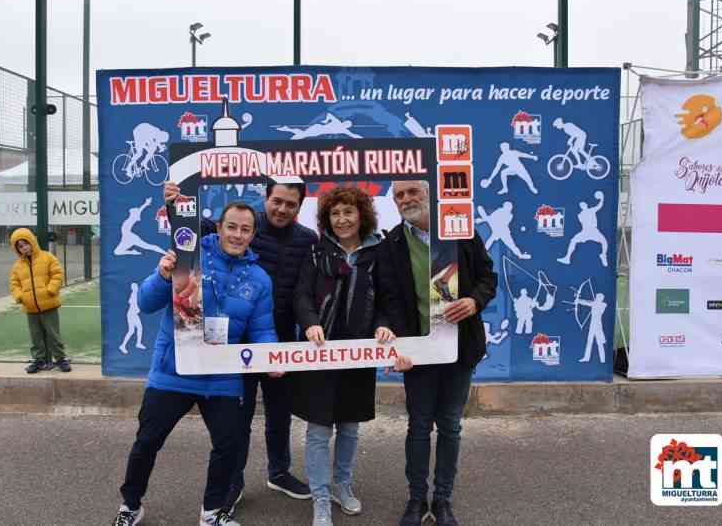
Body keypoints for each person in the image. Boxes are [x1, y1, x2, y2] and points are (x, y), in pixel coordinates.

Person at [113, 202, 280, 526]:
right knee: (147, 442)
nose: (237, 234)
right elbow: (147, 303)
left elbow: (262, 330)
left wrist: (269, 356)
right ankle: (131, 506)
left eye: (245, 229)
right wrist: (162, 276)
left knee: (228, 447)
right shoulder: (187, 256)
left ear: (253, 235)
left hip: (222, 376)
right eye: (231, 226)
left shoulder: (260, 279)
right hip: (174, 370)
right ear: (219, 227)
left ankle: (211, 512)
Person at [165, 180, 316, 509]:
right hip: (237, 344)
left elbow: (306, 290)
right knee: (238, 419)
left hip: (280, 342)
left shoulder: (308, 240)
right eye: (277, 201)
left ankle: (279, 472)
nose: (282, 209)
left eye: (291, 204)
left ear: (300, 206)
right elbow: (196, 229)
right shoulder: (244, 225)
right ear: (267, 198)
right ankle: (233, 481)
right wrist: (177, 205)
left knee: (279, 414)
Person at [376, 180, 497, 526]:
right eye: (399, 195)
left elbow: (488, 278)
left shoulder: (459, 230)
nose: (406, 199)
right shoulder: (392, 245)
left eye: (413, 192)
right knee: (417, 427)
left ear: (429, 195)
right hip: (418, 354)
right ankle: (416, 500)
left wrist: (474, 301)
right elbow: (387, 301)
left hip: (460, 349)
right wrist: (395, 345)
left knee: (450, 427)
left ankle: (442, 500)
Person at [293, 186, 412, 526]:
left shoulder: (379, 252)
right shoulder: (316, 252)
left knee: (349, 427)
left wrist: (385, 326)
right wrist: (311, 323)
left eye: (348, 212)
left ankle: (342, 486)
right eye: (335, 213)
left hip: (358, 356)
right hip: (319, 354)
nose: (342, 219)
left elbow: (387, 299)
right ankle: (319, 496)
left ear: (362, 215)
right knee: (318, 431)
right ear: (327, 219)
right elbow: (301, 295)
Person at [8, 228, 71, 374]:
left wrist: (51, 290)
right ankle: (39, 360)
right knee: (35, 336)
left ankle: (61, 359)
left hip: (49, 304)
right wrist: (20, 297)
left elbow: (57, 274)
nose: (24, 248)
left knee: (53, 334)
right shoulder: (17, 266)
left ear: (32, 241)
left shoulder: (47, 257)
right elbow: (14, 283)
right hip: (30, 307)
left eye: (26, 244)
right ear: (17, 249)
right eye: (20, 246)